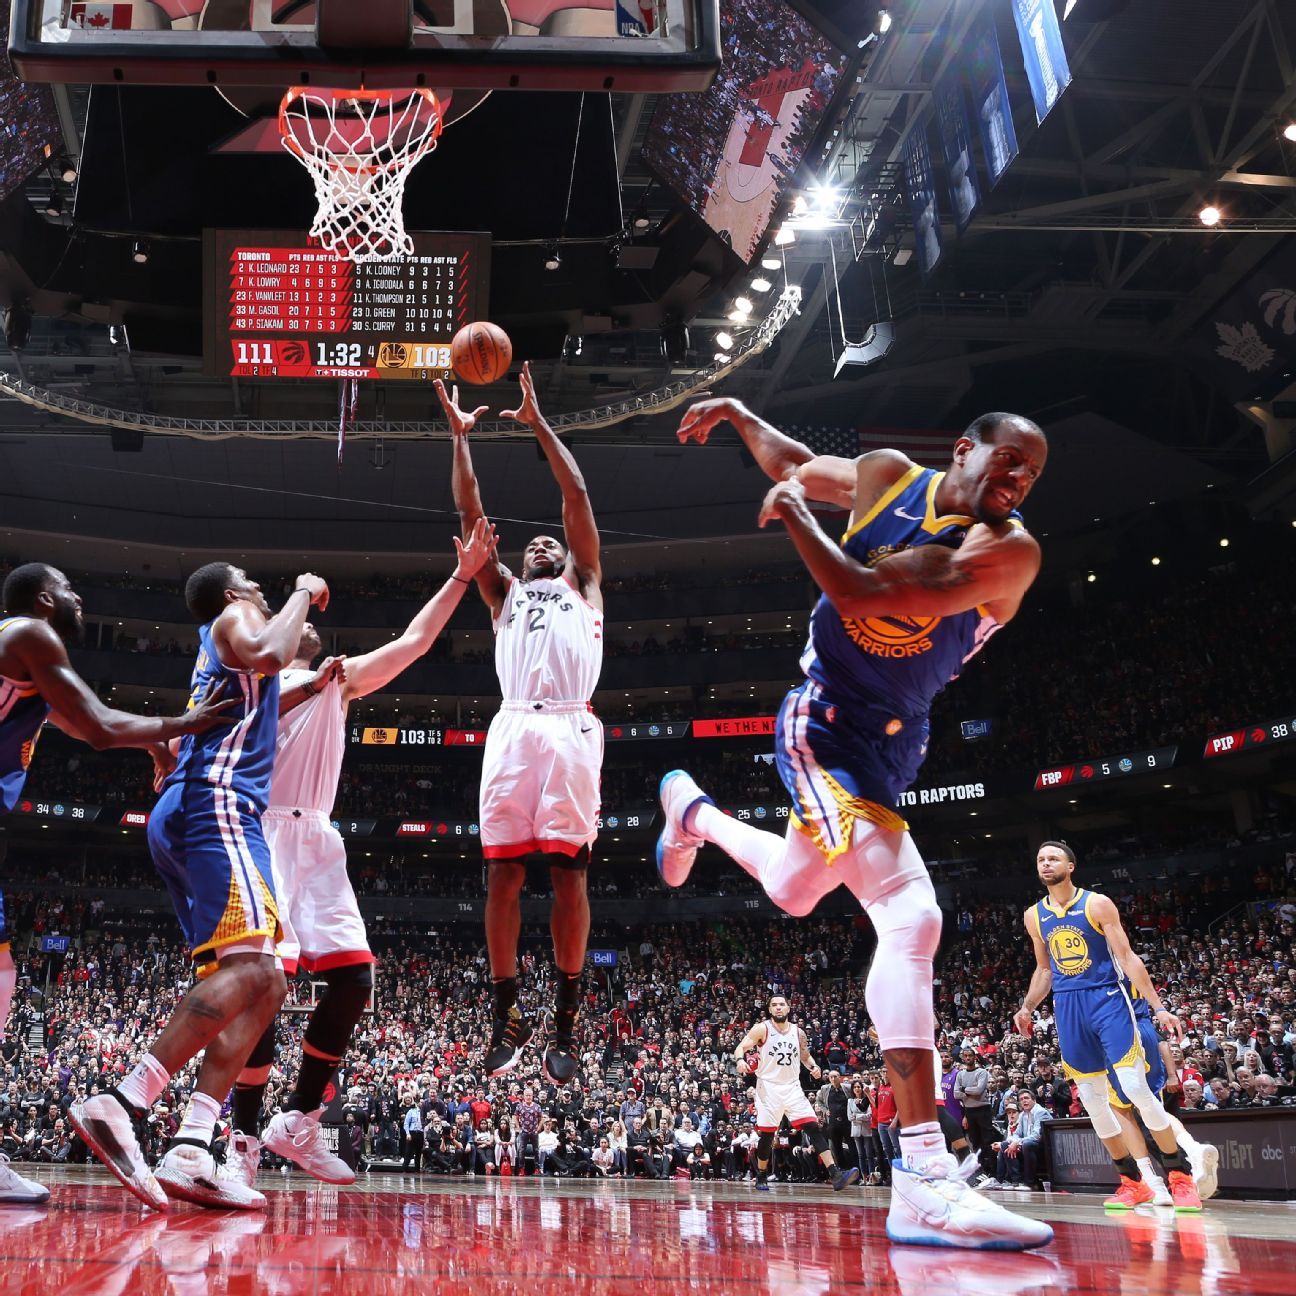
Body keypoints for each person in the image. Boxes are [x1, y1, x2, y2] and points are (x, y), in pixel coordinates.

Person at [659, 403, 1052, 1251]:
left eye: (1031, 474)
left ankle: (690, 811)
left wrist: (798, 519)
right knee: (911, 913)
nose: (1017, 481)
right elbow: (796, 463)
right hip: (824, 723)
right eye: (1009, 460)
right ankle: (922, 1175)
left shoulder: (1008, 551)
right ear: (964, 449)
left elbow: (872, 589)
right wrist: (736, 415)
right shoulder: (883, 476)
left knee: (798, 893)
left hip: (898, 739)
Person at [219, 519, 496, 1193]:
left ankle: (300, 1121)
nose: (313, 634)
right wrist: (307, 655)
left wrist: (462, 577)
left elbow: (415, 641)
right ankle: (242, 1142)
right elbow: (254, 702)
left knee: (354, 979)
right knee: (261, 991)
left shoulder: (336, 681)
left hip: (317, 836)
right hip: (260, 836)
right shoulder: (250, 677)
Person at [70, 562, 328, 1211]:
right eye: (250, 580)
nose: (260, 587)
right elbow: (276, 650)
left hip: (206, 809)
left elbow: (266, 682)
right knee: (256, 972)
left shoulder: (230, 652)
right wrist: (302, 590)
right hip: (216, 807)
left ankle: (191, 1144)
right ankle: (124, 1100)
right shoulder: (237, 618)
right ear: (233, 592)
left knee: (265, 979)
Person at [0, 564, 234, 1207]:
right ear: (45, 599)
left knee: (2, 980)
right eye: (71, 589)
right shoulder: (31, 633)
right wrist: (180, 728)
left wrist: (148, 746)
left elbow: (83, 726)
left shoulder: (26, 661)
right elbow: (99, 723)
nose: (80, 597)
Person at [438, 364, 604, 1086]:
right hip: (511, 729)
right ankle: (506, 1009)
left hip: (571, 730)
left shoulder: (584, 584)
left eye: (550, 544)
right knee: (502, 875)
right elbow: (471, 514)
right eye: (531, 543)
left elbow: (576, 493)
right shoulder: (502, 591)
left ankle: (567, 1012)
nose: (542, 544)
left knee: (569, 875)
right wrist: (460, 441)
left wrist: (538, 423)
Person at [1014, 841, 1203, 1212]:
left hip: (1107, 999)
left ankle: (1180, 1177)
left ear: (1071, 866)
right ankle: (1133, 1182)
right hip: (1068, 1006)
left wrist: (1159, 1007)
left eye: (1053, 858)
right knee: (1093, 1101)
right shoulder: (1033, 915)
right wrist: (1027, 1006)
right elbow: (1044, 969)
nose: (1045, 863)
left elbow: (1127, 957)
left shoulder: (1096, 904)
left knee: (1134, 1088)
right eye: (1040, 859)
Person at [732, 995, 859, 1193]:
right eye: (774, 1005)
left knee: (813, 1128)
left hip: (792, 1087)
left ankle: (835, 1174)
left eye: (782, 1004)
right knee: (767, 1136)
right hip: (768, 1088)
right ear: (770, 1010)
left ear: (789, 1008)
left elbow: (805, 1056)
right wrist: (740, 1060)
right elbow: (741, 1047)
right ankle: (762, 1174)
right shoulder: (762, 1028)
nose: (778, 1007)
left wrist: (814, 1067)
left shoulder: (798, 1032)